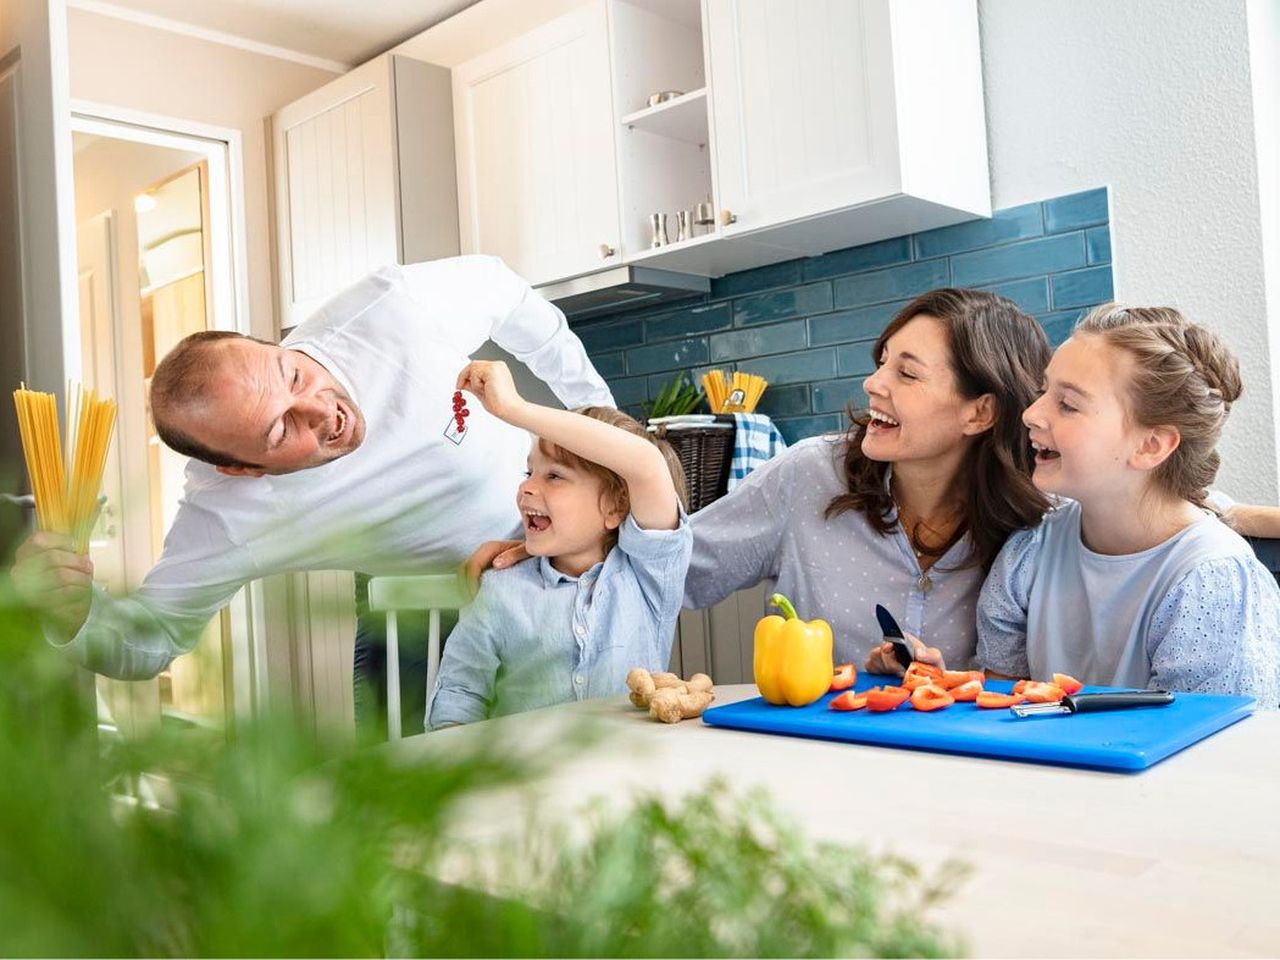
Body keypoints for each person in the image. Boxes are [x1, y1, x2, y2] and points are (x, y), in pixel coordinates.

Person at [11, 256, 614, 702]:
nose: (325, 412)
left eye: (293, 375)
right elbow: (150, 638)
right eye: (279, 431)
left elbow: (506, 292)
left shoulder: (391, 311)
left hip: (580, 555)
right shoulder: (227, 518)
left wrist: (606, 429)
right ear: (240, 469)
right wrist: (74, 618)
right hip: (433, 605)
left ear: (275, 344)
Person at [473, 288, 1054, 669]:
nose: (875, 384)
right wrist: (558, 547)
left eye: (907, 373)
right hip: (815, 757)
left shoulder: (1041, 528)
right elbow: (679, 569)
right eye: (881, 361)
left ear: (979, 412)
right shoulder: (811, 475)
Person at [976, 304, 1280, 701]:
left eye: (1067, 404)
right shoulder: (1029, 550)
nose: (1031, 414)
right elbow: (998, 706)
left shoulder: (1211, 581)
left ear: (1151, 445)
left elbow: (1207, 747)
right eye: (1042, 392)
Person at [428, 360, 691, 728]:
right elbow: (461, 692)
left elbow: (646, 465)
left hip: (628, 775)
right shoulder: (501, 588)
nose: (527, 488)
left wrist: (515, 409)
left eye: (554, 476)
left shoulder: (648, 577)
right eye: (529, 472)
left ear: (615, 506)